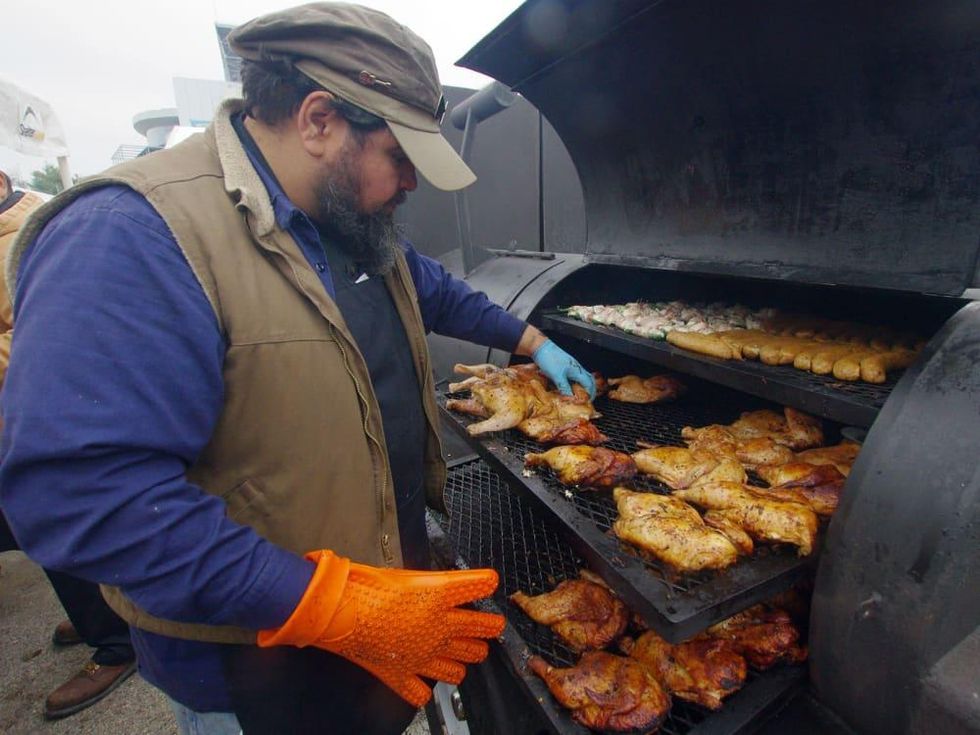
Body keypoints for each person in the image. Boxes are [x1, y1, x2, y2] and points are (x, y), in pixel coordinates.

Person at [0, 4, 596, 734]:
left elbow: (429, 287)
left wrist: (534, 340)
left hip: (383, 620)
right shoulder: (130, 235)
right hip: (251, 673)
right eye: (401, 158)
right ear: (318, 120)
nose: (412, 182)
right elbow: (79, 498)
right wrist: (329, 604)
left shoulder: (346, 215)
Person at [0, 169, 136, 719]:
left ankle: (115, 638)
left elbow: (53, 335)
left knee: (56, 522)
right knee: (34, 533)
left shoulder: (40, 229)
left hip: (30, 416)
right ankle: (95, 614)